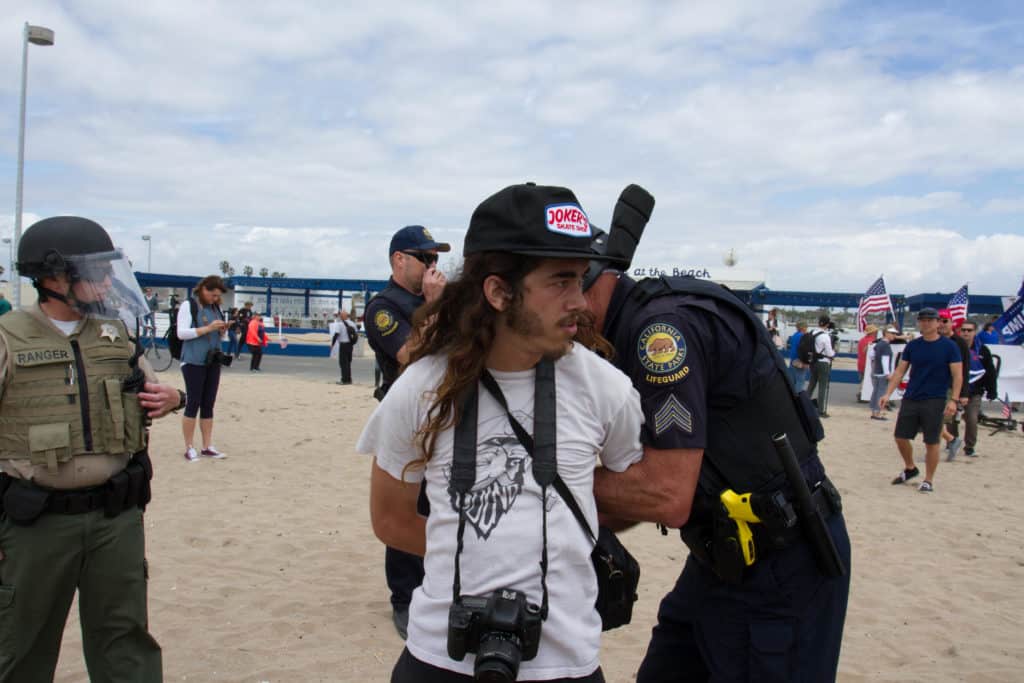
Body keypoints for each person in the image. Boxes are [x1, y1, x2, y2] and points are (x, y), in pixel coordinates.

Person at [358, 182, 645, 682]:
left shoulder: (607, 389)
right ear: (497, 291)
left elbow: (628, 486)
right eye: (560, 281)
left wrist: (555, 545)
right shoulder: (422, 389)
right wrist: (479, 551)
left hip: (568, 664)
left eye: (582, 279)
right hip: (438, 659)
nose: (581, 301)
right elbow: (390, 518)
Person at [580, 218, 850, 681]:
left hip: (780, 567)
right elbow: (642, 497)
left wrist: (540, 481)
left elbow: (666, 495)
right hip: (721, 558)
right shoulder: (627, 328)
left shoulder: (659, 333)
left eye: (564, 287)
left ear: (593, 278)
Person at [0, 216, 183, 681]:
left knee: (124, 640)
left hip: (114, 517)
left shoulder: (113, 334)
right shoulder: (8, 337)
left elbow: (152, 388)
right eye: (94, 270)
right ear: (54, 277)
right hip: (35, 522)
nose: (106, 280)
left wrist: (172, 399)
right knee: (22, 642)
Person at [364, 224, 449, 639]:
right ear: (400, 259)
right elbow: (409, 354)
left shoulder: (430, 299)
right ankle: (404, 598)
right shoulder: (384, 306)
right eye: (426, 258)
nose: (434, 266)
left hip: (443, 413)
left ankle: (436, 583)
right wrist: (434, 306)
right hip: (404, 419)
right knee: (405, 505)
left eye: (437, 259)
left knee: (438, 504)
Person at [880, 308, 963, 493]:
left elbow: (957, 375)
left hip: (935, 398)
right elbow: (900, 371)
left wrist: (954, 400)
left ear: (937, 323)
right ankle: (910, 468)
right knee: (900, 437)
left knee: (931, 441)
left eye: (930, 320)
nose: (926, 323)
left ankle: (928, 479)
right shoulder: (913, 346)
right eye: (922, 320)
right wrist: (887, 393)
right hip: (911, 397)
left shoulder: (949, 346)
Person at [178, 275, 230, 462]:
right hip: (193, 361)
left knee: (209, 403)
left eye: (217, 296)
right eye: (213, 295)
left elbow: (222, 338)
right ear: (204, 290)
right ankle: (189, 446)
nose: (215, 299)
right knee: (193, 402)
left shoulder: (217, 308)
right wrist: (207, 328)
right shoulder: (189, 305)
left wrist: (223, 331)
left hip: (212, 361)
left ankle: (207, 445)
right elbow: (181, 333)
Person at [957, 319, 998, 457]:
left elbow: (990, 372)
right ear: (959, 331)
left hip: (974, 391)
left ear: (975, 332)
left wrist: (992, 390)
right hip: (955, 390)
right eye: (963, 330)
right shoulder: (952, 347)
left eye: (969, 330)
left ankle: (969, 447)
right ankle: (952, 442)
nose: (966, 333)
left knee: (972, 419)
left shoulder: (982, 349)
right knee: (951, 420)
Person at [937, 308, 971, 460]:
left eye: (945, 321)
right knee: (932, 419)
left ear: (951, 323)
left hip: (950, 387)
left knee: (935, 420)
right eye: (939, 321)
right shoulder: (934, 339)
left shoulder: (960, 343)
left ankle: (937, 449)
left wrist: (963, 393)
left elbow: (965, 369)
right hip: (934, 385)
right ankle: (952, 440)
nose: (942, 324)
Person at [805, 315, 837, 417]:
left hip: (813, 361)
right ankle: (821, 410)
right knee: (822, 386)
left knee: (811, 384)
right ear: (827, 324)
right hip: (823, 362)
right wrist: (834, 352)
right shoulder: (825, 336)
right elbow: (830, 353)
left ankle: (804, 405)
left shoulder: (812, 332)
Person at [869, 327, 899, 420]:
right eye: (892, 333)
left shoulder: (879, 344)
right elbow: (885, 360)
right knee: (881, 393)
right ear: (886, 333)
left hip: (876, 371)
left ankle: (874, 411)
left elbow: (871, 355)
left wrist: (875, 365)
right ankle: (877, 413)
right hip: (882, 373)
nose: (894, 335)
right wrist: (887, 373)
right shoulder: (885, 345)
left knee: (875, 392)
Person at [330, 310, 359, 385]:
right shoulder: (352, 323)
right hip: (350, 345)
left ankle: (344, 380)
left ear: (342, 316)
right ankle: (349, 379)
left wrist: (332, 344)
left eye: (340, 315)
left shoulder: (339, 324)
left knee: (343, 363)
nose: (340, 316)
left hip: (343, 345)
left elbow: (336, 335)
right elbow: (356, 333)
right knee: (348, 363)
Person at [786, 320, 809, 392]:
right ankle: (798, 399)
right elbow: (804, 350)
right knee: (800, 381)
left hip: (792, 360)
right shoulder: (803, 336)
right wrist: (806, 361)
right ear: (803, 328)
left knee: (792, 382)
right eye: (806, 327)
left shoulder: (794, 335)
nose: (807, 328)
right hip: (799, 361)